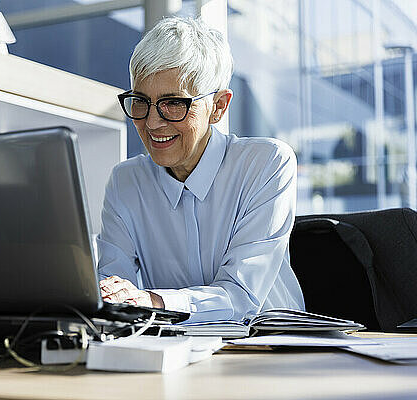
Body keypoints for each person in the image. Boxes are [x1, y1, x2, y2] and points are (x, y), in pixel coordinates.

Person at [97, 16, 305, 324]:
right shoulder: (125, 182)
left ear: (219, 106)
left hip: (271, 349)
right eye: (141, 102)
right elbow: (114, 292)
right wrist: (112, 296)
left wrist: (150, 300)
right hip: (176, 351)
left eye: (173, 103)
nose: (153, 123)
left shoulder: (267, 164)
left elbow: (241, 298)